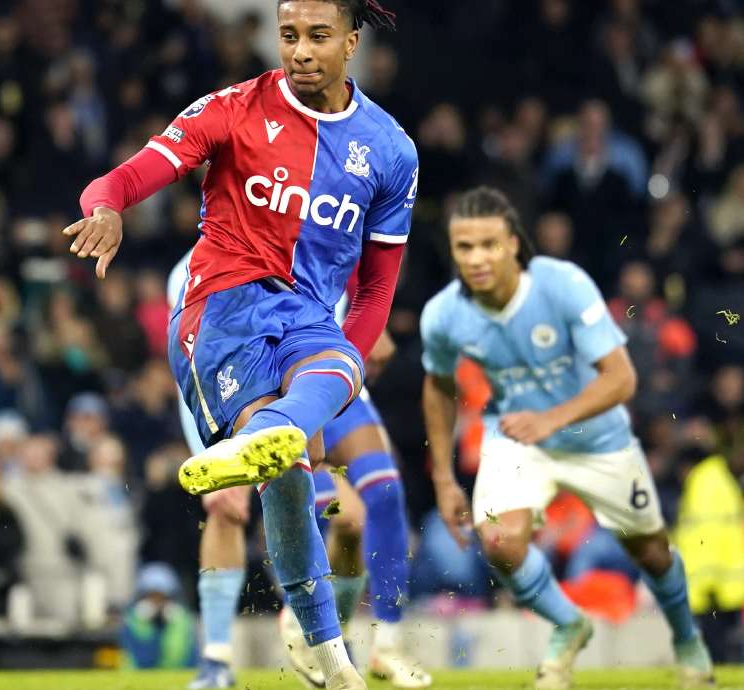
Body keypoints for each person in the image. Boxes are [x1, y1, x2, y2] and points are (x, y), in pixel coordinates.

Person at [67, 1, 414, 687]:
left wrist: (335, 382)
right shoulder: (230, 109)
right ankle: (295, 654)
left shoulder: (392, 149)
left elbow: (375, 291)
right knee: (286, 475)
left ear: (351, 43)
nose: (302, 51)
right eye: (289, 36)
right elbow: (129, 175)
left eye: (318, 37)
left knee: (337, 371)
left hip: (308, 321)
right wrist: (104, 208)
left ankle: (331, 654)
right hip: (220, 311)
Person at [419, 187, 713, 690]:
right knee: (499, 541)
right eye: (464, 247)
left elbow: (621, 378)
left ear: (513, 244)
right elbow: (439, 386)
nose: (476, 258)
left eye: (488, 244)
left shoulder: (563, 284)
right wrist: (445, 478)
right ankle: (568, 625)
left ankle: (687, 641)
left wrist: (553, 419)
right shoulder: (444, 314)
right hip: (520, 436)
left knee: (652, 551)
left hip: (597, 437)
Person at [167, 249, 428, 689]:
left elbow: (352, 272)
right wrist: (208, 447)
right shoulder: (194, 267)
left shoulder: (310, 219)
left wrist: (368, 316)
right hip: (253, 389)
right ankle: (218, 660)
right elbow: (190, 366)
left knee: (373, 503)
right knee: (231, 509)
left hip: (321, 374)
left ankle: (369, 642)